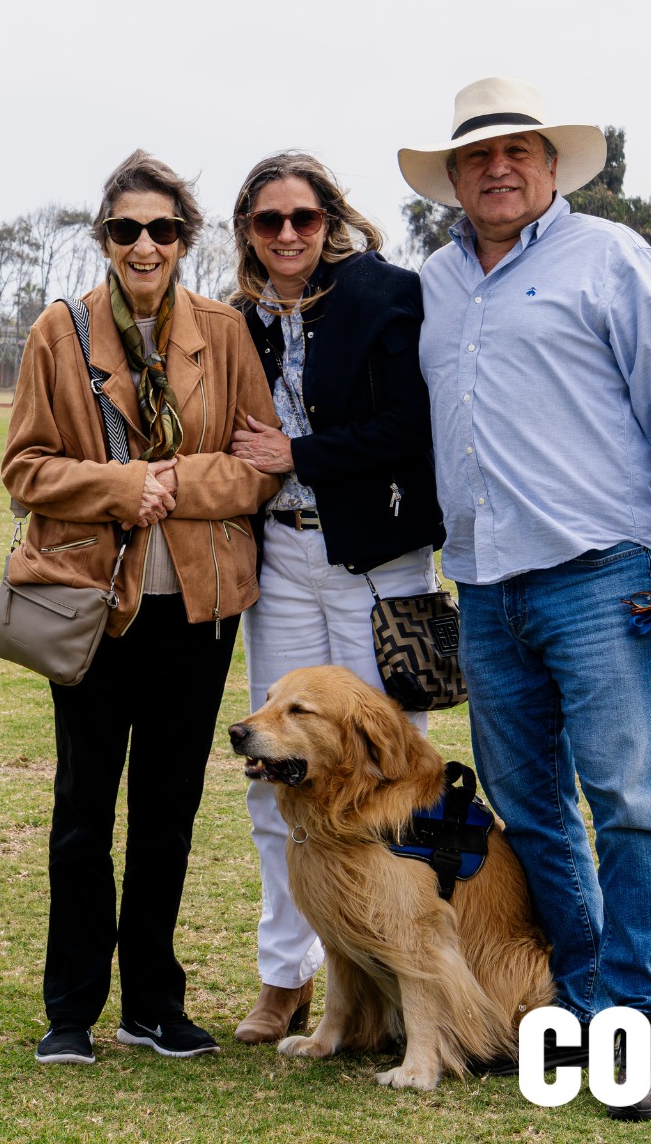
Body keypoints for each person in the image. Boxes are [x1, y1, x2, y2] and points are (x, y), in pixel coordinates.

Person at [400, 78, 651, 1121]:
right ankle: (586, 1001)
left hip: (604, 578)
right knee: (532, 811)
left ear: (552, 167)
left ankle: (646, 1024)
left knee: (630, 805)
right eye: (478, 156)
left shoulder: (611, 258)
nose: (498, 169)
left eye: (519, 152)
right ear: (455, 178)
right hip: (484, 585)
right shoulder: (436, 284)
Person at [2, 150, 281, 1067]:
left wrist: (174, 482)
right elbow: (26, 469)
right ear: (105, 238)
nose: (145, 245)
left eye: (162, 229)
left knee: (169, 809)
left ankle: (154, 1004)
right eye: (127, 229)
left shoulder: (225, 334)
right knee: (83, 808)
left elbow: (258, 468)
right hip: (92, 605)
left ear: (185, 239)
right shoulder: (61, 332)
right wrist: (123, 486)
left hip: (198, 611)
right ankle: (71, 1008)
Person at [227, 151, 445, 1044]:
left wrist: (301, 456)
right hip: (281, 556)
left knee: (398, 766)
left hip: (378, 558)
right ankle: (288, 977)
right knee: (274, 765)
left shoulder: (388, 296)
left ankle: (406, 972)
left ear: (332, 220)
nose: (287, 235)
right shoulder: (236, 319)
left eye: (304, 218)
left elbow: (413, 424)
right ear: (247, 230)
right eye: (268, 220)